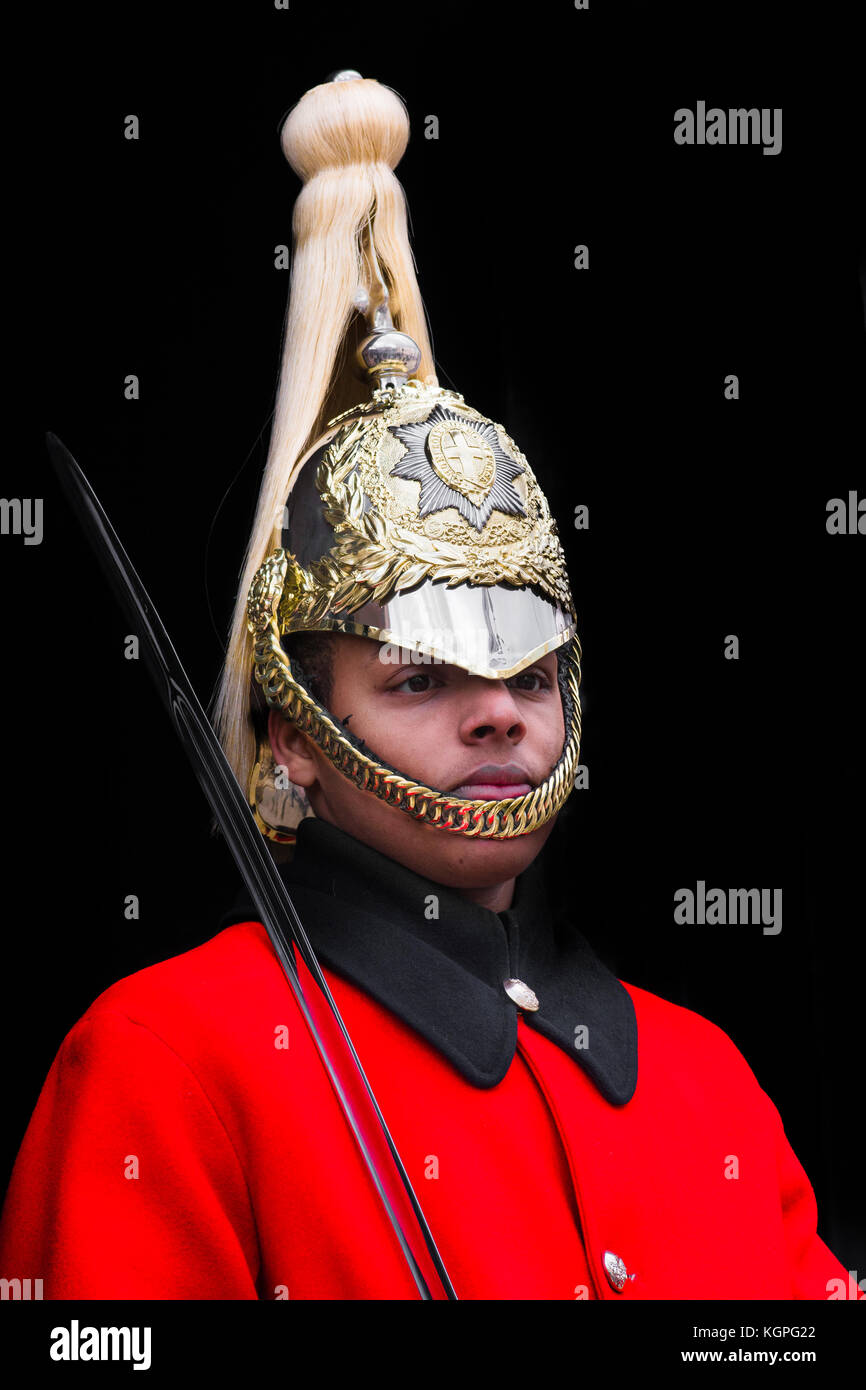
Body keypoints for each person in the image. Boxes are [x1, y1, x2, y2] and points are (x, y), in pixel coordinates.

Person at [0, 71, 859, 1302]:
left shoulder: (702, 1074)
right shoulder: (165, 1055)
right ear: (293, 734)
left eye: (532, 670)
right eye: (418, 675)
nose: (500, 708)